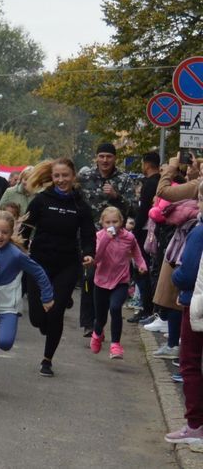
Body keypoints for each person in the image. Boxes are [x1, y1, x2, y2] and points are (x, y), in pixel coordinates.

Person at [0, 210, 54, 395]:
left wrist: (47, 296)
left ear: (11, 233)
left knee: (5, 343)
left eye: (4, 232)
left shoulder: (16, 255)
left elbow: (38, 272)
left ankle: (6, 328)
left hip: (9, 307)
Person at [23, 158, 96, 377]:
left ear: (73, 176)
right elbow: (26, 228)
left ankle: (47, 360)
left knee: (55, 313)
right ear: (51, 178)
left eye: (65, 175)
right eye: (57, 176)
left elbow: (88, 234)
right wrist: (20, 247)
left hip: (67, 265)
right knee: (38, 318)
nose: (61, 180)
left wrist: (88, 253)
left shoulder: (80, 205)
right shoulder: (41, 201)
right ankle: (46, 323)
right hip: (39, 263)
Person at [77, 142, 137, 336]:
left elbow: (133, 208)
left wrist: (116, 196)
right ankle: (89, 323)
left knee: (106, 282)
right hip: (89, 236)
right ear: (96, 157)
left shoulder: (124, 179)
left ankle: (100, 321)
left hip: (114, 240)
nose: (105, 160)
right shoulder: (85, 177)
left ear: (115, 158)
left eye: (108, 157)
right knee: (89, 277)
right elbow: (74, 200)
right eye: (101, 156)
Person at [167, 184, 203, 445]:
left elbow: (187, 274)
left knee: (190, 362)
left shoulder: (199, 232)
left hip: (197, 305)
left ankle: (195, 425)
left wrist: (176, 276)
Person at [89, 206, 147, 358]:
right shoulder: (100, 236)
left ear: (121, 221)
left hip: (121, 280)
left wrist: (141, 265)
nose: (111, 225)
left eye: (115, 221)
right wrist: (106, 239)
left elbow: (136, 251)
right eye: (107, 222)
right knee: (100, 317)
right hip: (101, 281)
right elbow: (97, 258)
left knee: (115, 308)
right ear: (102, 223)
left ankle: (115, 345)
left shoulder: (129, 237)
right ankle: (97, 333)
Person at [132, 152, 162, 323]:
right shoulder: (162, 182)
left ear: (146, 164)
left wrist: (135, 231)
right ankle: (150, 307)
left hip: (145, 232)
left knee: (141, 269)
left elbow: (143, 211)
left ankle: (146, 308)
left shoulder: (149, 183)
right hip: (155, 231)